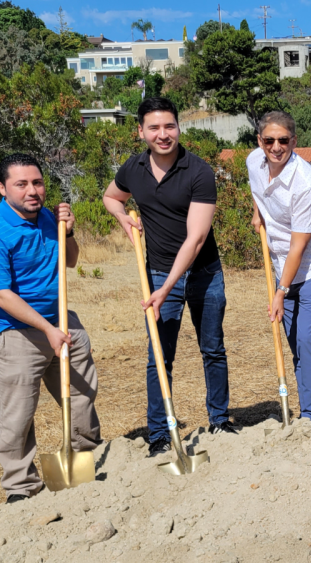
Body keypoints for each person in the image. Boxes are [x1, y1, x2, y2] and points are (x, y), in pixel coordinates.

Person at [102, 97, 236, 458]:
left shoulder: (199, 172)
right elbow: (111, 197)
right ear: (141, 132)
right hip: (158, 273)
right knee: (159, 356)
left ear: (179, 127)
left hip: (203, 273)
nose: (163, 135)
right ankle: (160, 433)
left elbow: (196, 239)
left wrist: (166, 288)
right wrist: (124, 218)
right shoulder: (133, 169)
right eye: (155, 128)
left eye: (170, 126)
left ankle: (220, 421)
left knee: (212, 348)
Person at [0, 154, 102, 503]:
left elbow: (69, 260)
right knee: (19, 414)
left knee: (82, 399)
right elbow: (0, 295)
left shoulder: (47, 219)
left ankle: (81, 464)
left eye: (37, 183)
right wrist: (47, 329)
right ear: (2, 188)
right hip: (12, 334)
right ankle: (21, 488)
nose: (32, 191)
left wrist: (68, 232)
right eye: (21, 184)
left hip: (59, 322)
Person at [247, 111, 311, 421]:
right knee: (294, 343)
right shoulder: (252, 162)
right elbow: (257, 188)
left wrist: (280, 292)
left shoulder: (307, 184)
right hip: (280, 262)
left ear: (294, 142)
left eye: (283, 140)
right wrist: (257, 210)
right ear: (259, 141)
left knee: (308, 341)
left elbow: (300, 246)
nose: (276, 147)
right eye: (269, 140)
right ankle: (304, 409)